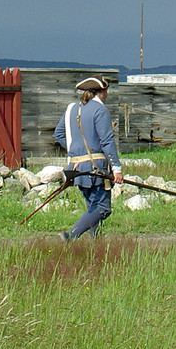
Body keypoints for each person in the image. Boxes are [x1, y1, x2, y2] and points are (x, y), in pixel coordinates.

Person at [53, 75, 124, 240]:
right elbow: (107, 142)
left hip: (76, 168)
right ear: (101, 92)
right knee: (102, 208)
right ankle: (70, 236)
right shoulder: (100, 111)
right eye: (106, 91)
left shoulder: (71, 109)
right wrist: (117, 169)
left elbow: (59, 134)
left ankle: (96, 244)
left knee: (93, 207)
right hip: (95, 167)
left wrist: (76, 151)